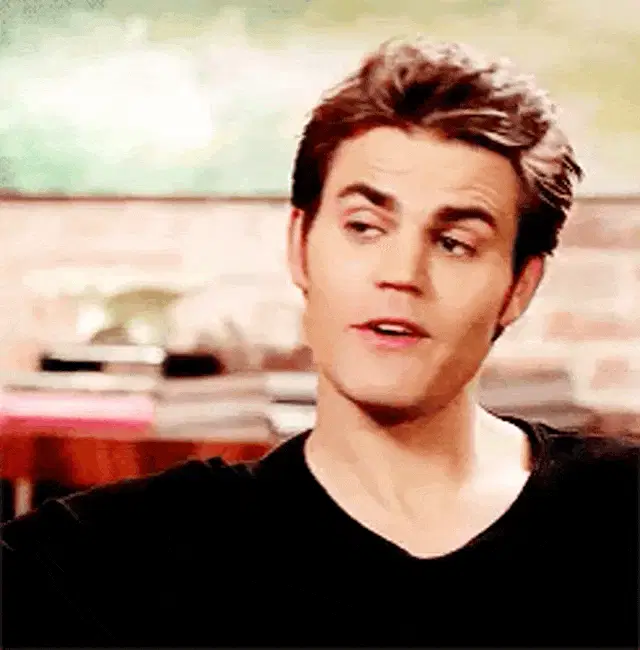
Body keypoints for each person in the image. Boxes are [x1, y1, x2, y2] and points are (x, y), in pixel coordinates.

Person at [2, 37, 638, 649]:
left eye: (454, 243)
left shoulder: (620, 513)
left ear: (519, 287)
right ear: (299, 245)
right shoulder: (118, 561)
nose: (401, 273)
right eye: (364, 227)